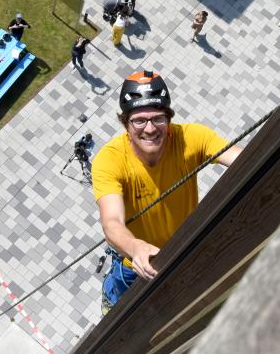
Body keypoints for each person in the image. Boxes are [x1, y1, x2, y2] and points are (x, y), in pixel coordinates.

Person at [92, 70, 243, 314]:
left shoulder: (191, 138)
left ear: (169, 119)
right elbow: (111, 222)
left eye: (158, 119)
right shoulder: (109, 161)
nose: (150, 129)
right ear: (126, 124)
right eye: (139, 120)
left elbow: (243, 158)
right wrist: (135, 247)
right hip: (136, 262)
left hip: (181, 251)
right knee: (120, 301)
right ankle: (111, 302)